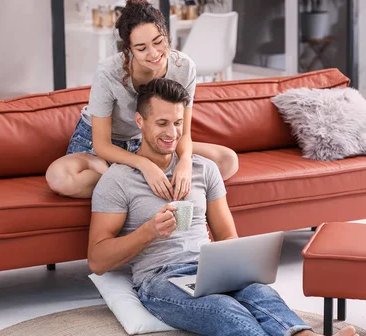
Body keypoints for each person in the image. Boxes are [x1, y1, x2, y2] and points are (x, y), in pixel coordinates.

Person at [87, 78, 362, 336]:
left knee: (260, 294)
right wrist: (149, 232)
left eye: (178, 123)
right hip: (159, 280)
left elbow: (227, 236)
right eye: (161, 123)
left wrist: (238, 269)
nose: (171, 132)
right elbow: (97, 259)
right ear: (140, 121)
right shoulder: (118, 180)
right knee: (223, 309)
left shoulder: (203, 169)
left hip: (208, 268)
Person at [46, 0, 238, 200]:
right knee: (60, 178)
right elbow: (102, 144)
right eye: (141, 48)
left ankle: (131, 183)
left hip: (147, 141)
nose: (154, 53)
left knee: (228, 161)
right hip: (103, 148)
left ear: (166, 33)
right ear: (129, 49)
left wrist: (185, 164)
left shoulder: (184, 68)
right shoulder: (109, 73)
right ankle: (143, 181)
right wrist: (145, 165)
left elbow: (184, 134)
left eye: (158, 41)